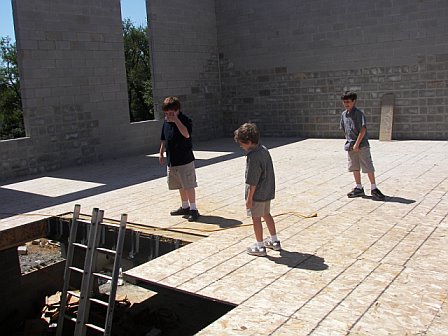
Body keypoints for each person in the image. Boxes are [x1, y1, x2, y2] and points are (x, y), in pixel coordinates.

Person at [234, 122, 281, 257]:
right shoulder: (264, 149)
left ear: (248, 142)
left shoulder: (253, 156)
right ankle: (274, 240)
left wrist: (249, 199)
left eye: (241, 144)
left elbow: (252, 181)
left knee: (256, 218)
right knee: (267, 214)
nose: (241, 146)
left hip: (257, 194)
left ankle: (260, 246)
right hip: (267, 191)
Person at [159, 96, 200, 221]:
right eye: (166, 113)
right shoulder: (166, 122)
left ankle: (193, 209)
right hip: (173, 160)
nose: (168, 115)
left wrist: (176, 120)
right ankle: (185, 206)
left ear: (177, 110)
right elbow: (163, 138)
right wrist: (161, 153)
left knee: (188, 184)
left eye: (171, 113)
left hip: (185, 159)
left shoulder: (185, 120)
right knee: (180, 185)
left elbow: (186, 134)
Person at [340, 91, 386, 201]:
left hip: (362, 146)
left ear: (354, 101)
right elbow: (344, 129)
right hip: (351, 146)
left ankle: (374, 188)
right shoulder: (343, 115)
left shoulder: (358, 114)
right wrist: (350, 143)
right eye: (344, 102)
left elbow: (363, 129)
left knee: (368, 166)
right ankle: (359, 187)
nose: (346, 104)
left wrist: (357, 143)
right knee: (354, 167)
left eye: (348, 102)